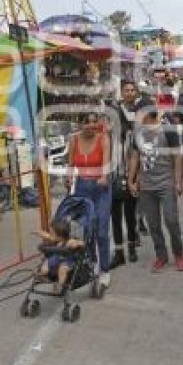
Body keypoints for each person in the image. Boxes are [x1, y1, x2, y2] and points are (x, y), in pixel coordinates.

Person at [128, 108, 183, 272]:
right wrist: (131, 180)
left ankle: (179, 254)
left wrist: (178, 181)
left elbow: (177, 156)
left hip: (166, 184)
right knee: (153, 224)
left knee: (171, 221)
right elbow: (134, 156)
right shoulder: (138, 133)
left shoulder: (168, 131)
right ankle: (161, 255)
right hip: (146, 186)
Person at [69, 113, 113, 291]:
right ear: (80, 124)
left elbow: (106, 164)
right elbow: (71, 163)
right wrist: (68, 178)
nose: (90, 126)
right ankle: (91, 262)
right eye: (86, 123)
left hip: (100, 189)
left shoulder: (103, 138)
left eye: (94, 123)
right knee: (83, 229)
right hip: (81, 188)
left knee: (101, 230)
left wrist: (103, 176)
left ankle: (104, 270)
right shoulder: (73, 140)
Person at [109, 80, 143, 268]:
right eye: (126, 90)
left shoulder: (132, 135)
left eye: (132, 90)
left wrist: (134, 178)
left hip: (129, 177)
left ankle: (131, 249)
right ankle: (120, 252)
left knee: (130, 215)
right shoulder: (108, 136)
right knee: (115, 216)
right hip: (113, 178)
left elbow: (135, 157)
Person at [35, 217, 84, 293]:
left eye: (52, 233)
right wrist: (40, 233)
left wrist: (78, 243)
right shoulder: (58, 240)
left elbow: (77, 243)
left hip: (66, 261)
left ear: (60, 236)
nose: (50, 235)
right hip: (56, 259)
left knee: (62, 269)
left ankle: (59, 285)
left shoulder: (69, 241)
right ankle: (42, 275)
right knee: (45, 264)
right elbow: (48, 237)